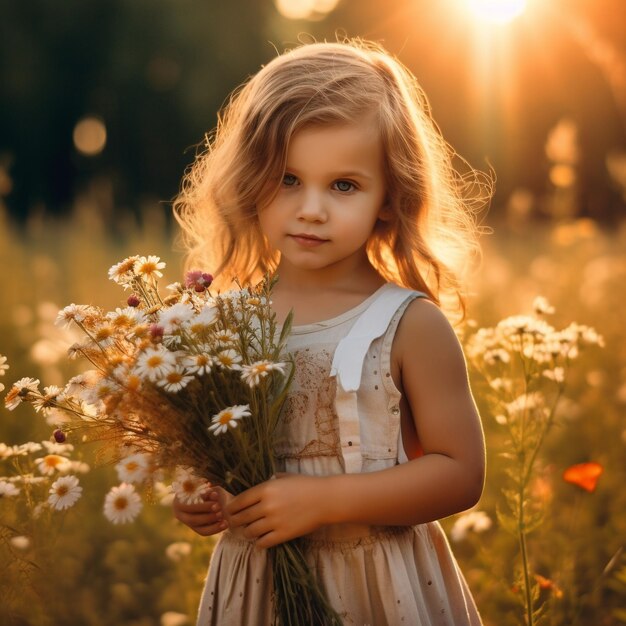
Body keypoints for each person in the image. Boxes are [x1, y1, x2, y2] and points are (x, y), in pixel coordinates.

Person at [173, 37, 490, 626]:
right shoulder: (223, 324)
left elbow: (459, 474)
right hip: (258, 585)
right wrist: (202, 494)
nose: (311, 209)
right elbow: (221, 449)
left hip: (376, 587)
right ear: (250, 180)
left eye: (343, 185)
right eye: (288, 179)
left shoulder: (409, 324)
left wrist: (322, 502)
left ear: (389, 199)